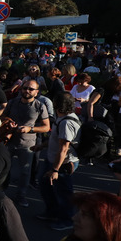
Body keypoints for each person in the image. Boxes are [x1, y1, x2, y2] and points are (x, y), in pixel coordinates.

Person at [1, 78, 51, 207]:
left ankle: (21, 196)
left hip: (28, 144)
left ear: (36, 92)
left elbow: (46, 127)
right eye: (25, 88)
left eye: (31, 89)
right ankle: (1, 193)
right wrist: (8, 123)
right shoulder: (12, 102)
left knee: (25, 172)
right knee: (4, 168)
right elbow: (3, 117)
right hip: (9, 141)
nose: (27, 91)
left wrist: (31, 129)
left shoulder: (40, 106)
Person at [39, 92, 82, 231]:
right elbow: (56, 140)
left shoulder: (67, 122)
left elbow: (64, 148)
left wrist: (56, 169)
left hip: (63, 164)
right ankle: (52, 213)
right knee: (45, 185)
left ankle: (67, 219)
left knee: (63, 192)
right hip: (53, 160)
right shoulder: (61, 119)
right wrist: (41, 146)